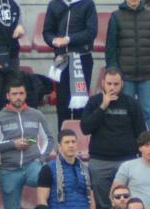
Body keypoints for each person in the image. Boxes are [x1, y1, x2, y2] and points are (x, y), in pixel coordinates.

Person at [81, 68, 147, 209]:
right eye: (109, 84)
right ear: (103, 83)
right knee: (102, 205)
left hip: (127, 161)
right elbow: (85, 128)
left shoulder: (132, 103)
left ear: (122, 84)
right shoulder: (94, 102)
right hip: (99, 161)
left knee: (128, 202)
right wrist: (102, 107)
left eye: (116, 84)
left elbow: (141, 133)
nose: (112, 87)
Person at [0, 80, 56, 209]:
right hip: (9, 169)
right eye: (14, 94)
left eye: (21, 93)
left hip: (32, 164)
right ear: (8, 96)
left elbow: (48, 139)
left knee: (50, 183)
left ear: (25, 94)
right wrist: (13, 144)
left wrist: (41, 158)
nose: (18, 97)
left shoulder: (36, 115)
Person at [105, 0, 150, 132]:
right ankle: (126, 145)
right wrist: (113, 72)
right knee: (125, 113)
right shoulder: (116, 16)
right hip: (124, 77)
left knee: (148, 113)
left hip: (147, 76)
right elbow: (111, 47)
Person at [43, 0, 98, 131]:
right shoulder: (54, 4)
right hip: (61, 60)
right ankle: (63, 142)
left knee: (80, 105)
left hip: (82, 60)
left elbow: (91, 32)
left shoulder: (88, 4)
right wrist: (53, 40)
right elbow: (47, 31)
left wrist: (69, 39)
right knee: (62, 105)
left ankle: (80, 141)